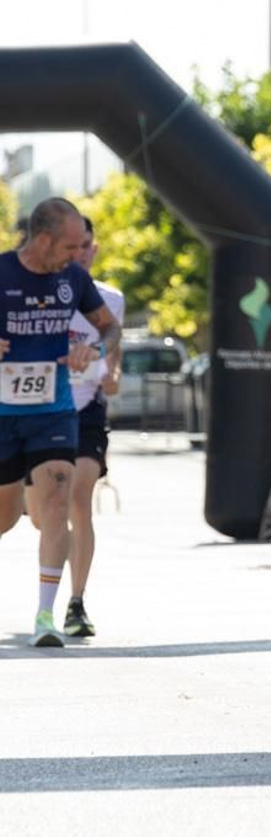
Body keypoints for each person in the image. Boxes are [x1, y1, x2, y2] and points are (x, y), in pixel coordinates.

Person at [0, 199, 120, 646]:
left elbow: (110, 328)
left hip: (54, 411)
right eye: (70, 246)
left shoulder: (73, 278)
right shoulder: (2, 273)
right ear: (43, 239)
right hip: (2, 414)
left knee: (56, 503)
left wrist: (95, 349)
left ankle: (46, 617)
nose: (78, 254)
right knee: (6, 517)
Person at [61, 217, 125, 637]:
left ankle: (76, 602)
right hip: (39, 410)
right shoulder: (41, 293)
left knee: (79, 497)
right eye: (73, 246)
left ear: (94, 249)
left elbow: (115, 343)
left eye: (86, 246)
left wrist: (111, 372)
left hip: (87, 411)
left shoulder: (110, 299)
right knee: (46, 513)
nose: (80, 253)